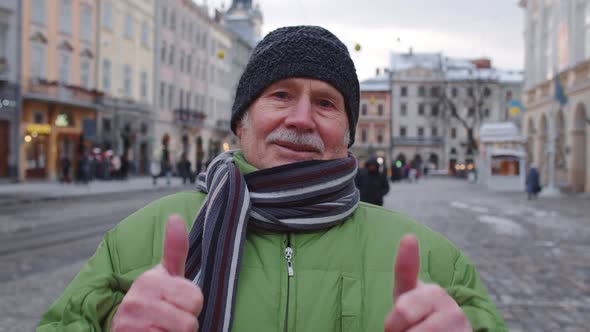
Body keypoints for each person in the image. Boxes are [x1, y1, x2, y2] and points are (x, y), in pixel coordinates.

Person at [38, 26, 505, 332]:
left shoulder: (434, 262)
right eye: (280, 95)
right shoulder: (138, 239)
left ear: (348, 134)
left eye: (325, 103)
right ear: (241, 122)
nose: (302, 118)